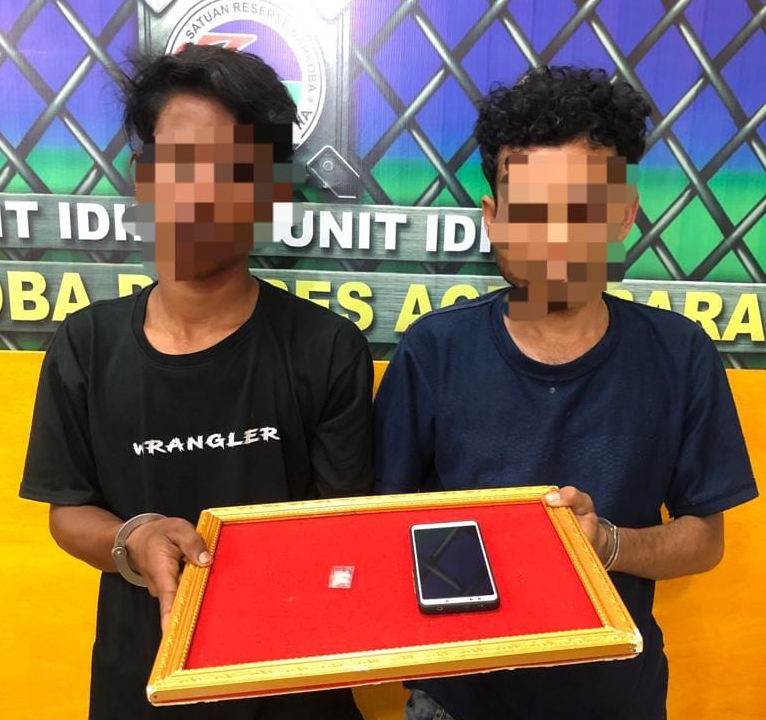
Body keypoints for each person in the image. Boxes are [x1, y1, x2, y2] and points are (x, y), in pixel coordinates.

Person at [373, 66, 757, 720]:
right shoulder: (433, 351)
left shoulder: (679, 353)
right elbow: (379, 528)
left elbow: (704, 538)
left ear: (623, 215)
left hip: (616, 698)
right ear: (493, 218)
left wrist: (607, 543)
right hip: (456, 701)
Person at [20, 44, 372, 720]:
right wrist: (134, 539)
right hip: (140, 685)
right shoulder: (85, 346)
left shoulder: (327, 349)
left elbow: (342, 532)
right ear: (143, 180)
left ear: (272, 191)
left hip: (292, 689)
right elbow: (67, 511)